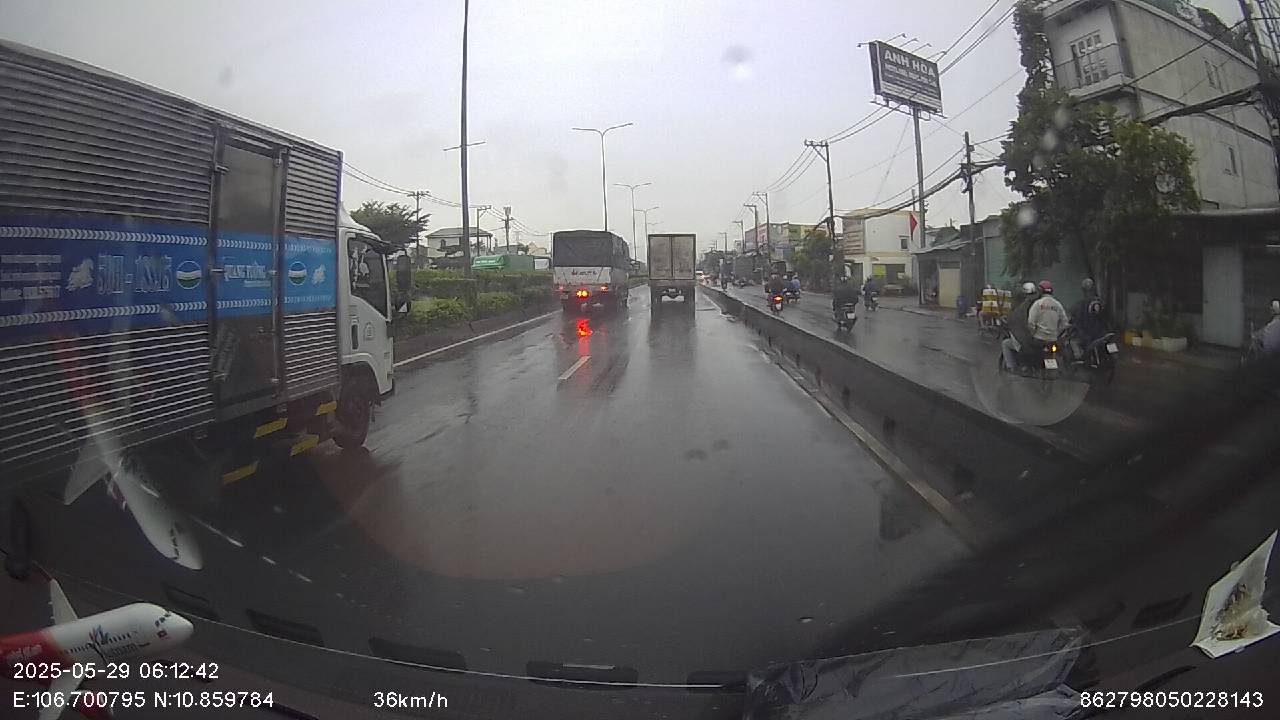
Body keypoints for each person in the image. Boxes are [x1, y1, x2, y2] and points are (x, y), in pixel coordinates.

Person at [1001, 282, 1040, 372]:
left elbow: (1017, 321)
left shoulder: (1023, 307)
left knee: (1006, 343)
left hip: (1029, 340)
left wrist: (1008, 320)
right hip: (1045, 338)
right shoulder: (1041, 303)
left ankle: (1011, 367)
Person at [1028, 279, 1069, 346]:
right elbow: (1065, 323)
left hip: (1039, 338)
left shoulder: (1037, 304)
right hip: (1053, 339)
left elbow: (1031, 322)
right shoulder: (1058, 305)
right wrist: (1056, 333)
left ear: (1040, 291)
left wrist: (1033, 334)